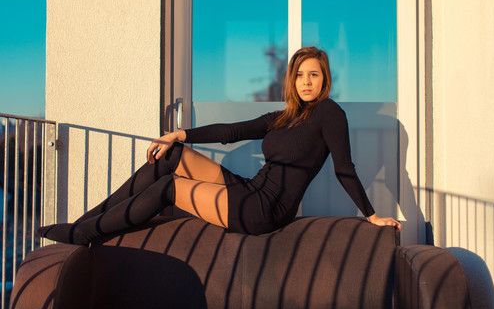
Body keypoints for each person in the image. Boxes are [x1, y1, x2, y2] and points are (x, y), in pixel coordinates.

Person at [39, 46, 401, 246]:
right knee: (170, 158)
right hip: (249, 190)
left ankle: (85, 234)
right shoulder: (285, 116)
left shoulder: (330, 114)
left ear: (324, 80)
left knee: (169, 188)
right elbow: (233, 130)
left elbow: (344, 169)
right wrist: (179, 134)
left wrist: (371, 215)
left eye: (314, 74)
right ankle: (83, 222)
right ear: (292, 80)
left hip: (263, 211)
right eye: (300, 75)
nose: (306, 81)